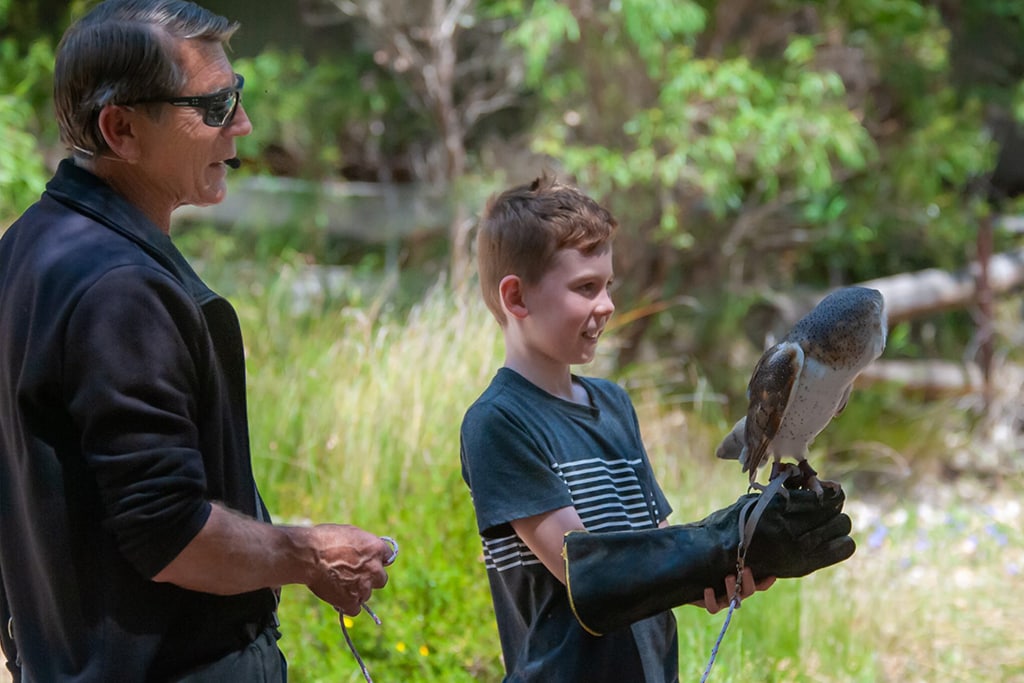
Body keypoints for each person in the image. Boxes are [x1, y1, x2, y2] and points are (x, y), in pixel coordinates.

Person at [0, 1, 394, 680]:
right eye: (214, 107)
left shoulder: (25, 247)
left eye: (236, 96)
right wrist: (309, 553)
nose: (242, 124)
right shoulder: (117, 288)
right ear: (120, 127)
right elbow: (169, 531)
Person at [460, 173, 856, 682]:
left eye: (607, 286)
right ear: (516, 298)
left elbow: (657, 546)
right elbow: (587, 573)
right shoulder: (499, 421)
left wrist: (729, 564)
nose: (606, 305)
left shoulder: (613, 403)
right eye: (585, 288)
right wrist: (718, 541)